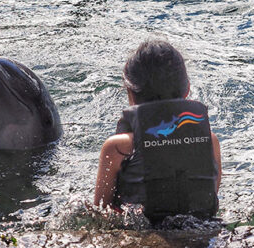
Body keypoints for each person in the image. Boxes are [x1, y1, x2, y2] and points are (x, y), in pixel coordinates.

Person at [94, 39, 222, 221]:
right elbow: (210, 198)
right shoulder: (210, 141)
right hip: (203, 236)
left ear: (130, 92)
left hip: (139, 237)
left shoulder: (117, 148)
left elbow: (101, 212)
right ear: (187, 89)